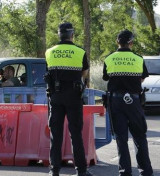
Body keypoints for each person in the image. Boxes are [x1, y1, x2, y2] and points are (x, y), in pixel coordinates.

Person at [102, 29, 153, 176]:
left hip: (116, 102)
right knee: (140, 136)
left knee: (121, 138)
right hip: (134, 101)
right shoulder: (138, 59)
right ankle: (145, 171)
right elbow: (142, 78)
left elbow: (106, 78)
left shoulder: (109, 58)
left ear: (117, 42)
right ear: (131, 43)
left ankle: (125, 172)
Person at [45, 22, 92, 176]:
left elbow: (49, 73)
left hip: (56, 97)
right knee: (76, 134)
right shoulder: (80, 52)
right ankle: (81, 171)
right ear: (72, 35)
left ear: (59, 34)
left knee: (56, 135)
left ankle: (54, 170)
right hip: (73, 96)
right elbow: (84, 73)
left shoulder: (49, 52)